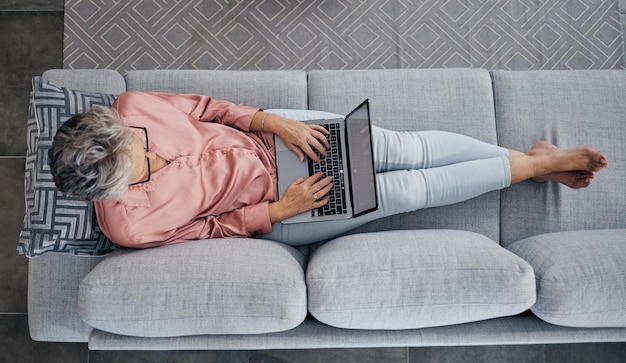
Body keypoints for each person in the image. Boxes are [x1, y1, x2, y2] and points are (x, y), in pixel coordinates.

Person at [48, 91, 608, 248]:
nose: (149, 158)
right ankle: (539, 163)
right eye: (138, 170)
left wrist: (277, 122)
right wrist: (279, 210)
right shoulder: (127, 225)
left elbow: (209, 109)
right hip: (288, 206)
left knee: (406, 150)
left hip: (279, 136)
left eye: (137, 147)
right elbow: (209, 230)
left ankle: (538, 165)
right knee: (412, 189)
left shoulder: (131, 108)